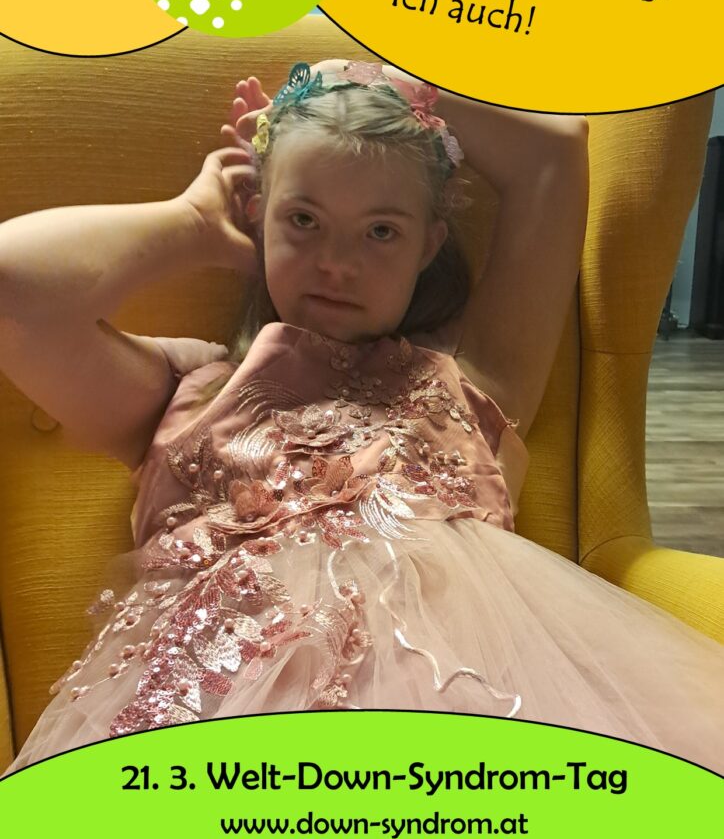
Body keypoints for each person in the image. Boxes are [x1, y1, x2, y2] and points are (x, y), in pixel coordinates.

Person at [1, 59, 722, 778]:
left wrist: (363, 77)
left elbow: (553, 152)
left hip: (462, 730)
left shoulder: (474, 378)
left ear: (428, 244)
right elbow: (11, 293)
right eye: (304, 220)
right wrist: (192, 223)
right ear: (257, 213)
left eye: (380, 231)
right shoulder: (186, 391)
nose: (337, 264)